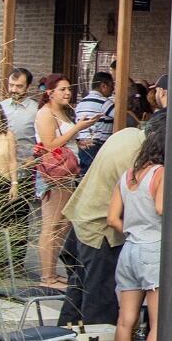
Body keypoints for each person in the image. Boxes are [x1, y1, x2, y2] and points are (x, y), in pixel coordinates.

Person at [61, 122, 148, 325]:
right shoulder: (134, 155)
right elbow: (136, 205)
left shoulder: (128, 132)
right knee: (98, 297)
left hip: (86, 217)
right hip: (99, 227)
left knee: (80, 288)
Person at [107, 119, 167, 341]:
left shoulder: (128, 174)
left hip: (128, 248)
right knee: (157, 324)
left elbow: (112, 218)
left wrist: (133, 228)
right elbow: (161, 208)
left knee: (125, 320)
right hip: (153, 249)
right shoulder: (160, 173)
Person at [34, 74, 102, 289]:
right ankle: (47, 277)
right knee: (51, 224)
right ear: (50, 92)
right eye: (62, 89)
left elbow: (65, 140)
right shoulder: (45, 114)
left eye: (68, 89)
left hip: (68, 171)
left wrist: (79, 141)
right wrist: (77, 129)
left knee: (63, 224)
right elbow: (50, 143)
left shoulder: (63, 112)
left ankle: (53, 272)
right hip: (53, 173)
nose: (67, 93)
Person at [73, 72, 117, 171]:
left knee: (85, 175)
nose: (113, 89)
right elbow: (121, 117)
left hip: (82, 146)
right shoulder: (105, 102)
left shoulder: (81, 103)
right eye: (112, 85)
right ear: (103, 86)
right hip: (97, 146)